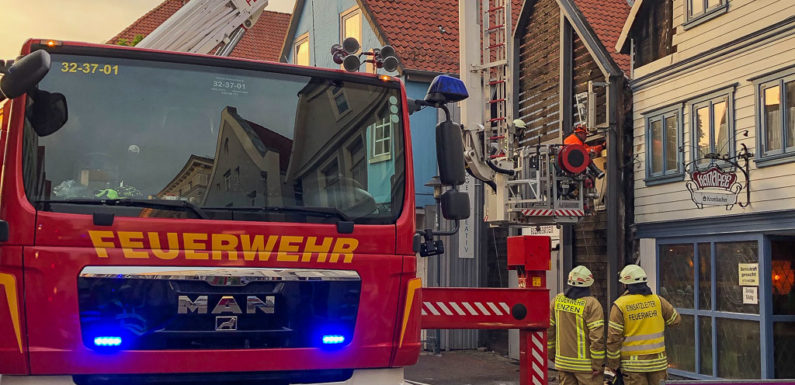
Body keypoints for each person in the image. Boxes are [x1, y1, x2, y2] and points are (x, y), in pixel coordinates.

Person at [606, 264, 681, 385]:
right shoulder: (658, 300)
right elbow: (675, 321)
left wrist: (613, 364)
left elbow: (613, 339)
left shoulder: (620, 305)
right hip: (658, 364)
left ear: (625, 284)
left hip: (633, 367)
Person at [548, 265, 605, 385]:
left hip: (563, 363)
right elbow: (597, 337)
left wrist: (551, 354)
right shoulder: (592, 304)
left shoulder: (557, 300)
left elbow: (550, 331)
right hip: (586, 367)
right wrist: (597, 364)